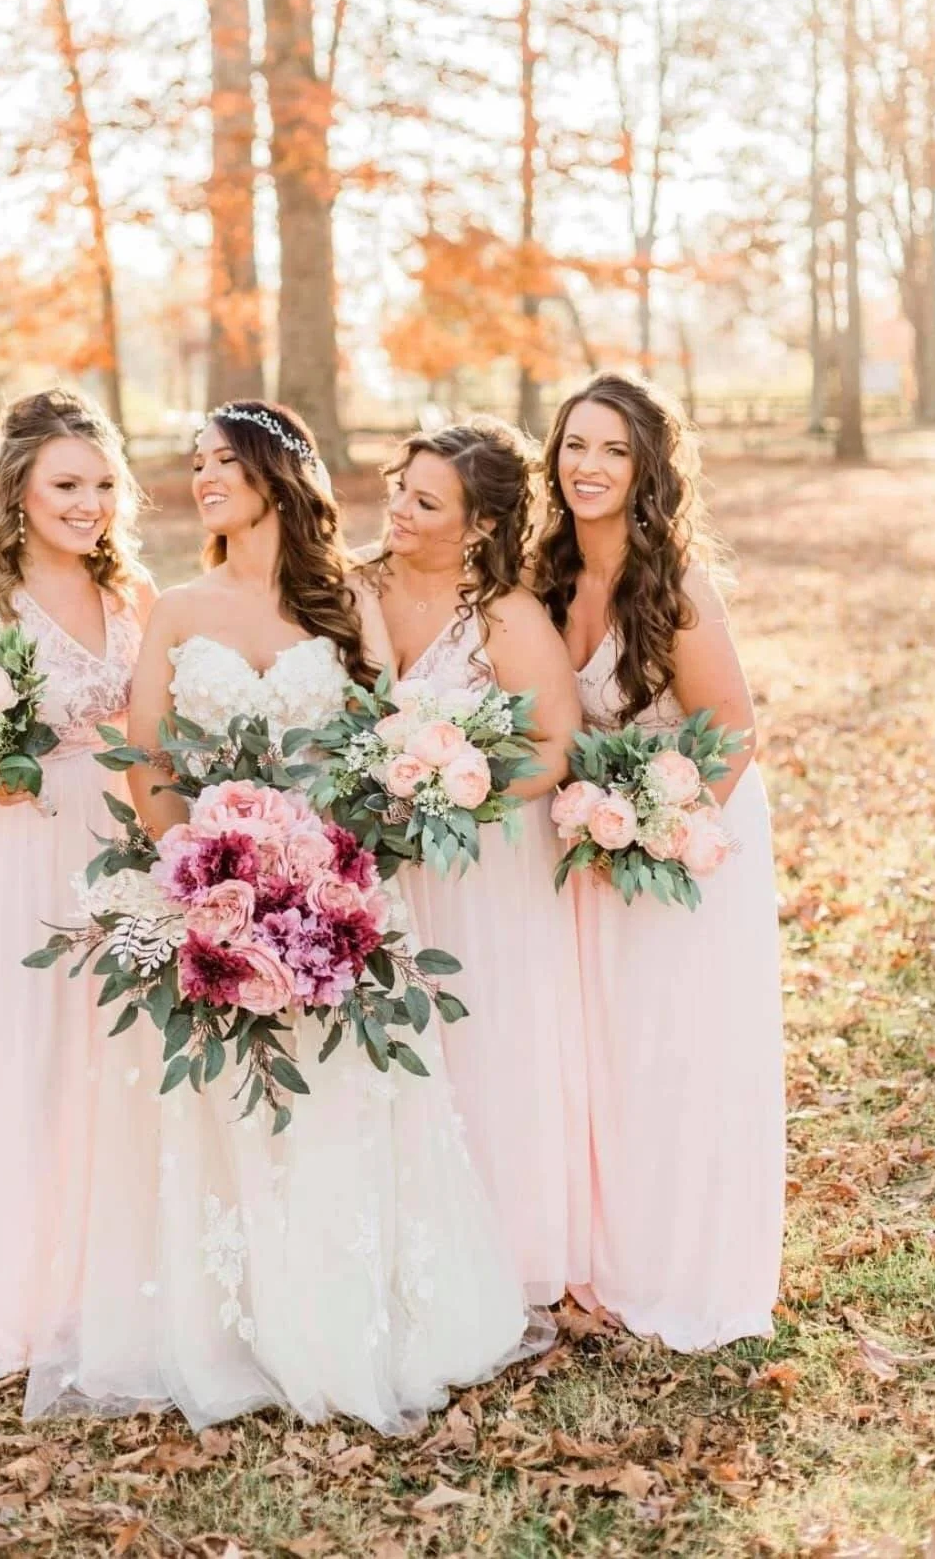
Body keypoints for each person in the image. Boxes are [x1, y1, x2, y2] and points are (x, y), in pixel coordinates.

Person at [22, 401, 549, 1432]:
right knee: (222, 1111)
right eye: (197, 463)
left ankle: (342, 1314)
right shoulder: (178, 608)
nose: (203, 478)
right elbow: (151, 759)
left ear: (276, 473)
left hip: (333, 892)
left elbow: (380, 744)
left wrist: (322, 873)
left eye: (224, 461)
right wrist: (200, 878)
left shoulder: (348, 600)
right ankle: (226, 1326)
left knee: (340, 1105)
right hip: (212, 890)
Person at [534, 372, 785, 1349]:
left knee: (675, 1049)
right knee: (605, 1054)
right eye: (574, 445)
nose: (588, 466)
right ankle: (605, 1256)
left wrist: (656, 831)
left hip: (687, 841)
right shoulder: (549, 577)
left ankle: (687, 1269)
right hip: (590, 841)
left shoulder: (674, 585)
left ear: (647, 470)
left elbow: (733, 728)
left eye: (613, 450)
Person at [0, 387, 154, 1378]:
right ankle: (11, 1287)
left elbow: (152, 716)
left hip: (116, 832)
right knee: (26, 1048)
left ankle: (105, 1274)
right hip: (14, 847)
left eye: (103, 484)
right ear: (18, 489)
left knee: (111, 1048)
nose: (89, 504)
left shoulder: (131, 591)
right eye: (66, 485)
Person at [369, 418, 589, 1305]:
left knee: (481, 1046)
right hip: (378, 857)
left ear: (481, 525)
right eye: (400, 490)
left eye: (426, 503)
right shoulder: (353, 586)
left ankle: (499, 1249)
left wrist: (458, 790)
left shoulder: (505, 617)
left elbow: (556, 745)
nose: (399, 511)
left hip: (481, 864)